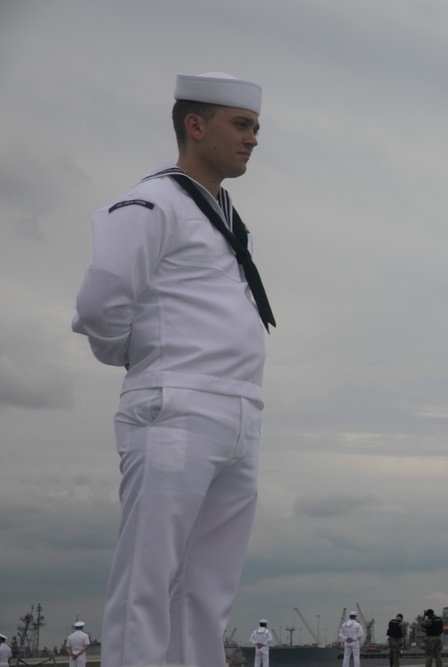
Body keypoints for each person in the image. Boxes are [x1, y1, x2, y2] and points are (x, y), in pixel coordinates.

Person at [71, 71, 273, 667]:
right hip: (176, 406)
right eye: (241, 125)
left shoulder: (227, 217)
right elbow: (100, 303)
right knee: (148, 585)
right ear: (195, 125)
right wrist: (142, 359)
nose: (253, 139)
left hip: (238, 410)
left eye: (256, 127)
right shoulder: (152, 201)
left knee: (207, 593)